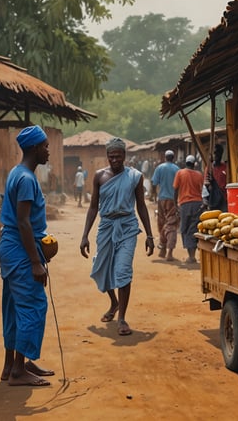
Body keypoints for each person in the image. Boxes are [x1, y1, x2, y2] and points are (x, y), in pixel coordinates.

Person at [80, 137, 155, 336]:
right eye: (111, 156)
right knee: (102, 268)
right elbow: (93, 206)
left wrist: (149, 235)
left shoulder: (135, 176)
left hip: (128, 227)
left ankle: (122, 317)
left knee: (122, 271)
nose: (114, 160)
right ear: (107, 156)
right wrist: (84, 235)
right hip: (106, 227)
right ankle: (113, 302)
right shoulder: (99, 176)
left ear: (124, 156)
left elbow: (141, 205)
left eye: (118, 156)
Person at [0, 125, 55, 387]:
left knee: (12, 306)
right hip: (20, 250)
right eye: (44, 146)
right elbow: (23, 222)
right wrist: (35, 262)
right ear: (33, 148)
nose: (48, 151)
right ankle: (19, 372)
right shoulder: (26, 179)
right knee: (32, 305)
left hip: (11, 248)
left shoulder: (17, 173)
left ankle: (12, 363)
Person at [173, 155, 204, 264]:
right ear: (194, 164)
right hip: (197, 204)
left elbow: (176, 189)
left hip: (185, 204)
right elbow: (202, 189)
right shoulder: (199, 174)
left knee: (185, 229)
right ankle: (193, 255)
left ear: (185, 163)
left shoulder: (180, 173)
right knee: (194, 228)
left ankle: (191, 256)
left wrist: (175, 204)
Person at [151, 150, 180, 261]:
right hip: (172, 200)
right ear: (173, 157)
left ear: (165, 157)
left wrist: (154, 195)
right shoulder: (177, 169)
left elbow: (154, 183)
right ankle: (169, 252)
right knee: (171, 224)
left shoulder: (160, 168)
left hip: (161, 199)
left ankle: (163, 247)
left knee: (162, 222)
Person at [204, 143, 228, 211]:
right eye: (215, 153)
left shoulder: (225, 167)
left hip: (224, 198)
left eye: (218, 153)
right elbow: (206, 184)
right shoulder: (209, 168)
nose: (216, 155)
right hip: (213, 199)